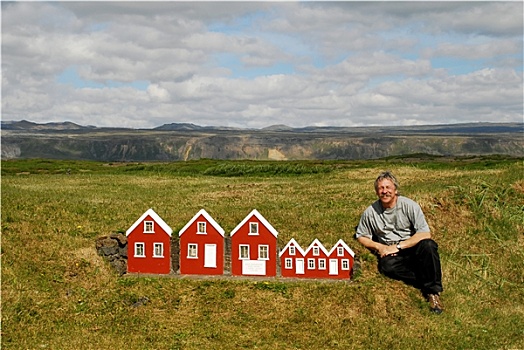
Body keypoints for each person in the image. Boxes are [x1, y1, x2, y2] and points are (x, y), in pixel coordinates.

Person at [355, 170, 444, 314]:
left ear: (395, 190)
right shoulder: (370, 212)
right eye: (381, 188)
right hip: (391, 253)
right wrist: (380, 247)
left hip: (410, 246)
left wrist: (398, 246)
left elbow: (425, 233)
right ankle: (425, 278)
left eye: (388, 187)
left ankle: (433, 293)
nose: (385, 191)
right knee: (386, 267)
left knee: (428, 245)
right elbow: (361, 236)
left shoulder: (410, 206)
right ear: (376, 192)